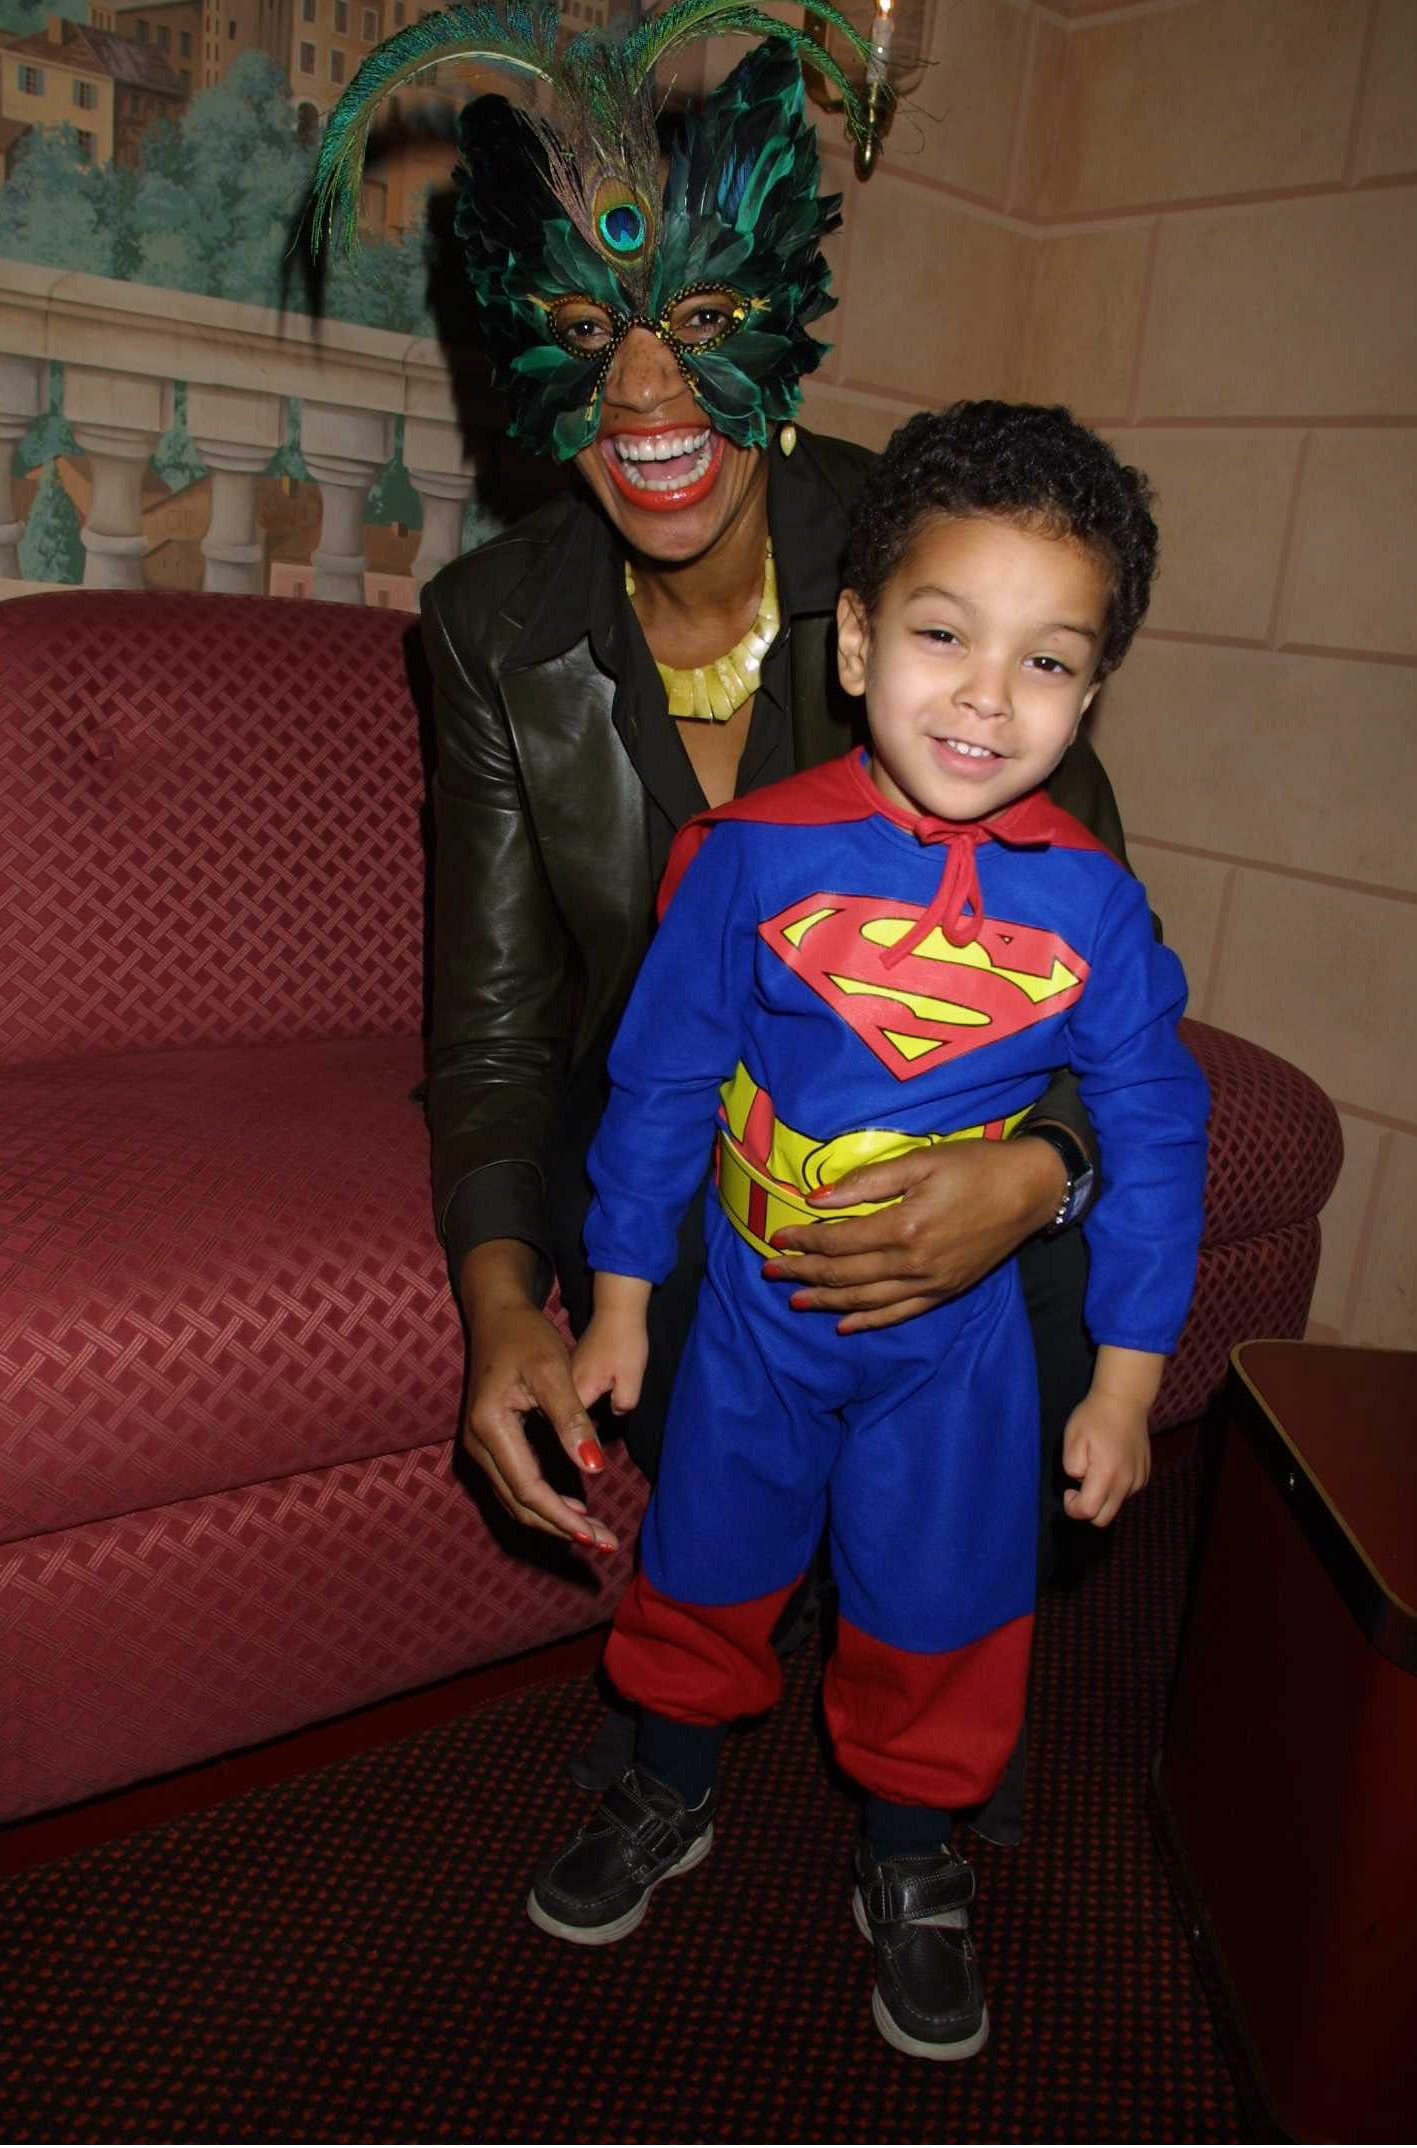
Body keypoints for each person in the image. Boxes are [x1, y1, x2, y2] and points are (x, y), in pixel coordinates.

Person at [310, 10, 1131, 1791]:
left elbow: (1094, 938)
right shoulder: (488, 630)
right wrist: (504, 1296)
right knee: (688, 1332)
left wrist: (1034, 1170)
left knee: (1039, 1320)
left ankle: (932, 1774)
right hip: (691, 1148)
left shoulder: (923, 559)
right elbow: (502, 1026)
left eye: (690, 330)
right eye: (586, 337)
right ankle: (681, 1741)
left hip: (963, 1117)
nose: (645, 402)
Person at [526, 401, 1210, 2065]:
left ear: (1093, 691)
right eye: (939, 635)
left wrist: (1121, 1385)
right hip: (755, 1312)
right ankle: (667, 1789)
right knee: (702, 1565)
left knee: (942, 1603)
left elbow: (1154, 1132)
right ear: (850, 642)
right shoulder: (751, 858)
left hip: (957, 1348)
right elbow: (661, 1074)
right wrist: (621, 1299)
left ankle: (913, 1858)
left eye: (1049, 662)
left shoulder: (1099, 909)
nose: (988, 696)